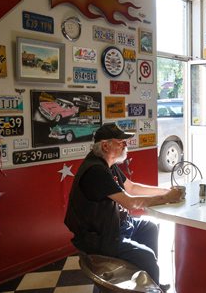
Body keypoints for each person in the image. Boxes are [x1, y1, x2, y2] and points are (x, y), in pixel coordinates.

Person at [64, 122, 182, 291]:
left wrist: (165, 190)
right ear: (105, 146)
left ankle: (147, 280)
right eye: (121, 142)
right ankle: (151, 285)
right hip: (99, 237)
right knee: (146, 256)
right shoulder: (95, 171)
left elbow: (132, 187)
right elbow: (130, 201)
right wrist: (167, 198)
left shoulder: (108, 165)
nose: (126, 145)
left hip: (117, 225)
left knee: (149, 227)